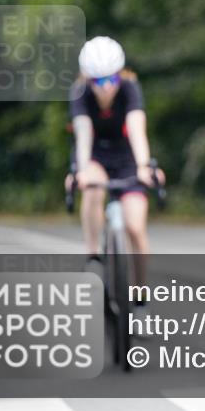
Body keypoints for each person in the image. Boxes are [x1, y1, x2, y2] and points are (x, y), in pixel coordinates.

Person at [69, 36, 162, 317]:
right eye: (98, 82)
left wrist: (146, 167)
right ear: (87, 78)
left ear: (120, 74)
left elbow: (136, 130)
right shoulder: (79, 93)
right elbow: (83, 135)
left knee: (135, 227)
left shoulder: (130, 88)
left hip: (127, 158)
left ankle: (141, 299)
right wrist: (81, 172)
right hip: (96, 156)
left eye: (111, 79)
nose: (106, 87)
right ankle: (93, 256)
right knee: (93, 189)